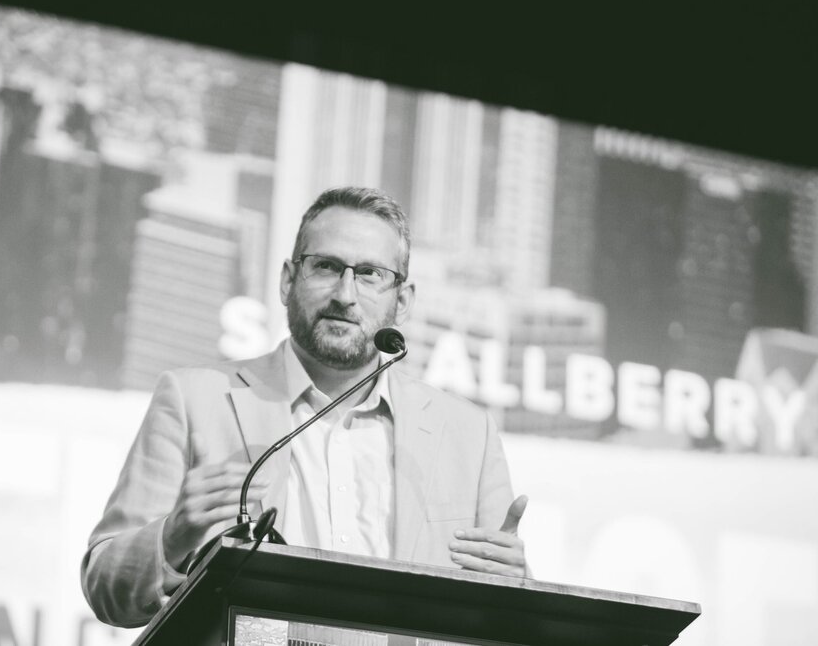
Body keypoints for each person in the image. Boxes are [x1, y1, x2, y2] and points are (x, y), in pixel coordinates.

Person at [81, 186, 528, 628]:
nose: (345, 294)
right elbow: (105, 583)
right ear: (287, 280)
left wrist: (516, 587)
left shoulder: (468, 433)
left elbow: (512, 616)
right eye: (326, 267)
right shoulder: (194, 399)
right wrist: (171, 536)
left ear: (403, 301)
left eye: (370, 274)